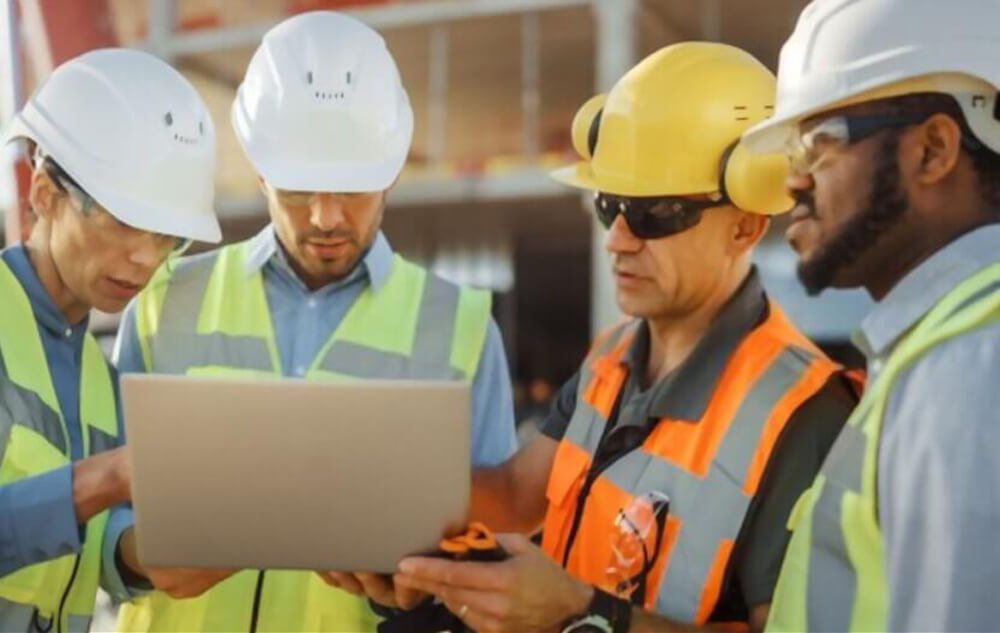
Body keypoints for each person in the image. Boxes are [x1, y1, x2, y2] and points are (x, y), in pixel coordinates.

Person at [372, 42, 860, 633]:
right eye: (610, 205)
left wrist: (585, 615)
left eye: (655, 214)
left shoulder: (803, 415)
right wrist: (376, 500)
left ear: (746, 226)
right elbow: (514, 494)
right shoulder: (610, 358)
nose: (618, 239)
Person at [113, 11, 518, 633]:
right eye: (299, 190)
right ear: (261, 174)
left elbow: (499, 538)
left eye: (351, 190)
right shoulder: (165, 301)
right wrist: (138, 556)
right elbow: (100, 512)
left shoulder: (460, 327)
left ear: (390, 173)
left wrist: (422, 586)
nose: (326, 217)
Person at [738, 1, 1000, 631]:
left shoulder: (967, 370)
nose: (793, 184)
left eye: (819, 146)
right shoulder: (942, 348)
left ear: (933, 150)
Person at [0, 48, 222, 632]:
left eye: (168, 237)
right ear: (44, 193)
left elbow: (88, 557)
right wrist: (108, 477)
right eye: (123, 222)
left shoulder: (101, 377)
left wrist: (159, 553)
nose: (147, 258)